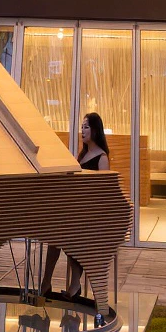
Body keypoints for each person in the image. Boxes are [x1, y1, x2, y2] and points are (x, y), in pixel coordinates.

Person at [40, 113, 110, 298]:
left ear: (95, 130)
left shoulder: (102, 157)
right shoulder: (83, 155)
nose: (82, 130)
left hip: (89, 216)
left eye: (86, 127)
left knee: (65, 236)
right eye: (82, 126)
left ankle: (68, 285)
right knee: (54, 237)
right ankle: (49, 282)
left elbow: (102, 192)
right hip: (77, 211)